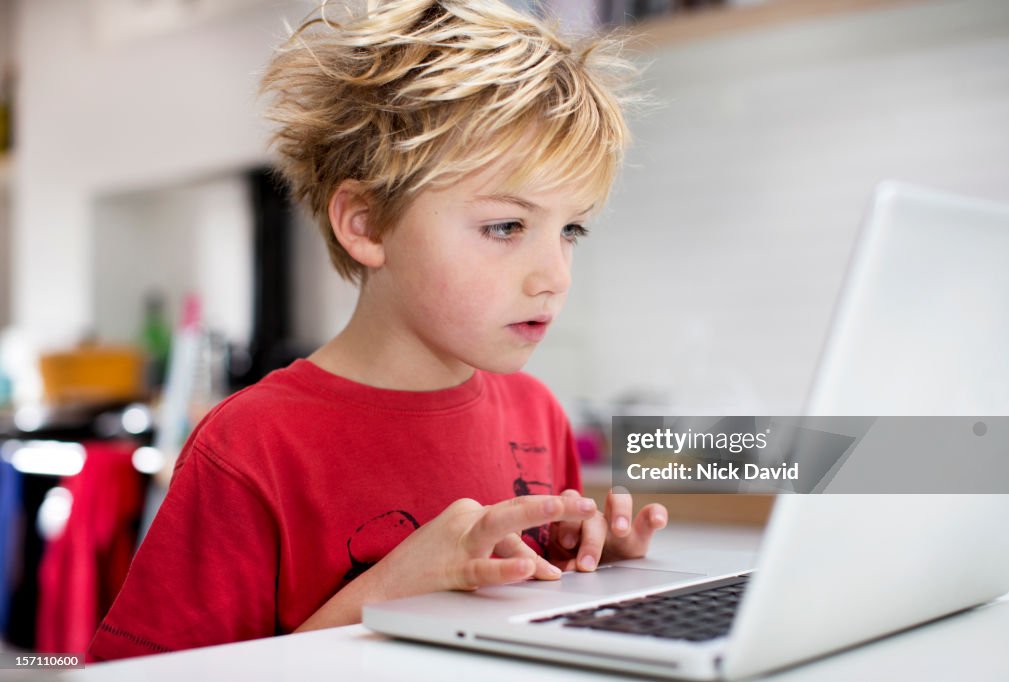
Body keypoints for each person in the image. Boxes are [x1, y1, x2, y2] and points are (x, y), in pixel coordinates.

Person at [88, 0, 667, 661]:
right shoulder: (250, 449)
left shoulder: (537, 417)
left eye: (570, 230)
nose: (555, 275)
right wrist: (384, 594)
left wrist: (592, 574)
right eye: (506, 226)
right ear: (364, 223)